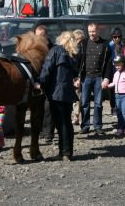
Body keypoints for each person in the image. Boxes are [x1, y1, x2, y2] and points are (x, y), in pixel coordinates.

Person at [37, 31, 79, 161]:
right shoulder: (72, 54)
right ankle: (67, 152)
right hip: (68, 93)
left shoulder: (55, 51)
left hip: (56, 92)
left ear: (61, 39)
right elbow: (75, 74)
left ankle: (64, 152)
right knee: (67, 122)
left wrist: (38, 82)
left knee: (61, 123)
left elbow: (47, 69)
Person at [78, 23, 112, 135]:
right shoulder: (83, 43)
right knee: (84, 103)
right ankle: (85, 126)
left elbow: (108, 63)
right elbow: (78, 61)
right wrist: (77, 77)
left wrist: (106, 78)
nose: (92, 34)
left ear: (98, 31)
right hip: (86, 77)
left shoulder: (105, 45)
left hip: (98, 77)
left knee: (98, 103)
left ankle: (98, 126)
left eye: (93, 31)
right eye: (90, 32)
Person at [34, 25, 56, 144]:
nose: (39, 39)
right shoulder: (35, 49)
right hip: (38, 82)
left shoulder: (52, 49)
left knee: (49, 108)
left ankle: (49, 133)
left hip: (50, 81)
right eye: (37, 36)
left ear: (46, 35)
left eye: (41, 36)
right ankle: (42, 131)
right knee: (39, 107)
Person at [107, 54, 125, 136]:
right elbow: (114, 83)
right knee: (119, 112)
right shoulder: (116, 74)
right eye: (116, 65)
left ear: (124, 64)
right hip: (117, 95)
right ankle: (120, 127)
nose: (117, 66)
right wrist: (108, 85)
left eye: (119, 64)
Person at [108, 27, 124, 116]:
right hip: (112, 71)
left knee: (121, 90)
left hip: (121, 70)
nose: (117, 38)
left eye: (119, 36)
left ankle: (120, 107)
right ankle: (113, 107)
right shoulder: (109, 46)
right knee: (112, 91)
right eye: (115, 37)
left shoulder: (123, 45)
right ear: (112, 37)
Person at [72, 29, 86, 125]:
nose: (80, 42)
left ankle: (78, 116)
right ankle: (76, 116)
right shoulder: (72, 50)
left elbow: (82, 64)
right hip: (73, 76)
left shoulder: (83, 50)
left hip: (80, 76)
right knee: (75, 98)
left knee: (80, 97)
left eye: (81, 40)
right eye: (78, 40)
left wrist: (79, 77)